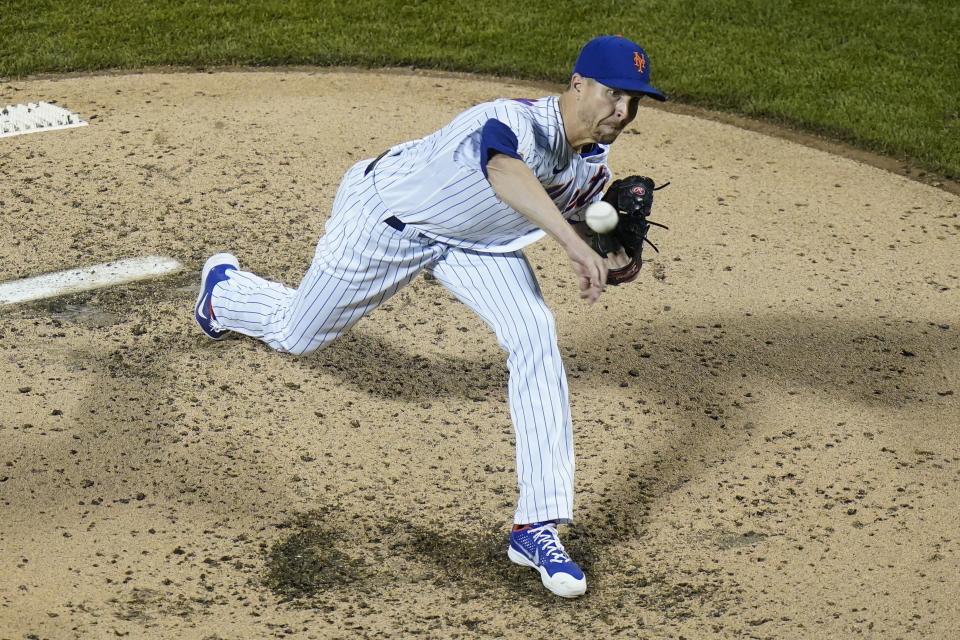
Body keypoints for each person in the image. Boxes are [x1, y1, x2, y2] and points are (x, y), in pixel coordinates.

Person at [194, 35, 666, 598]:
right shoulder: (511, 122)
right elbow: (503, 171)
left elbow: (596, 247)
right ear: (578, 84)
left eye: (634, 101)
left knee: (535, 332)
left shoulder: (592, 166)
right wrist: (572, 242)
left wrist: (614, 251)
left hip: (472, 246)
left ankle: (536, 525)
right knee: (299, 334)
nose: (623, 111)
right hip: (386, 223)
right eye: (614, 93)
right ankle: (226, 294)